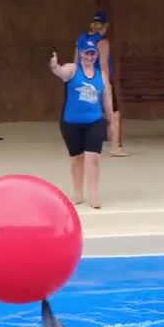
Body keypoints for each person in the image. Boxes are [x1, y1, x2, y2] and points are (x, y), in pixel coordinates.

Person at [49, 35, 114, 209]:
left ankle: (93, 195)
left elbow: (107, 100)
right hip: (71, 123)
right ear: (81, 53)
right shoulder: (72, 69)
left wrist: (110, 121)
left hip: (94, 121)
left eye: (93, 54)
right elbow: (60, 72)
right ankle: (78, 193)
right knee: (76, 159)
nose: (89, 57)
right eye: (86, 53)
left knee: (93, 158)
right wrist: (54, 66)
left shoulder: (102, 76)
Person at [81, 11, 127, 157]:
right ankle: (114, 147)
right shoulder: (102, 42)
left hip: (85, 79)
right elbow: (103, 65)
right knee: (114, 114)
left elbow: (76, 62)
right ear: (105, 26)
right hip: (100, 79)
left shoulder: (81, 39)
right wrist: (106, 83)